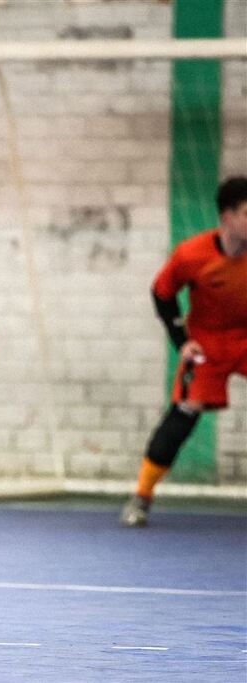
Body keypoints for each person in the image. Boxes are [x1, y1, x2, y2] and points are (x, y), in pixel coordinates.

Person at [121, 176, 247, 527]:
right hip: (207, 341)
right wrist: (183, 342)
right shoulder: (192, 255)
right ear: (227, 217)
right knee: (183, 415)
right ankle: (141, 497)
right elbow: (162, 293)